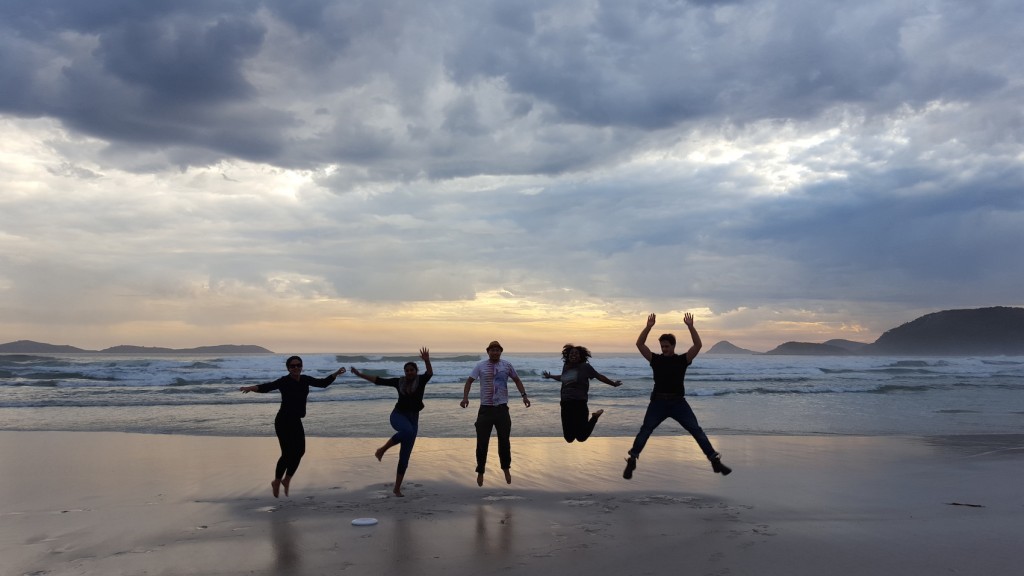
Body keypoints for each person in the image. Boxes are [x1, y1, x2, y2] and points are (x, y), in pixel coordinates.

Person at [623, 313, 731, 479]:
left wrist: (690, 326)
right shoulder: (655, 359)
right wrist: (649, 326)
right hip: (658, 402)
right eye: (662, 346)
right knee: (645, 430)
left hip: (678, 403)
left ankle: (714, 461)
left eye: (666, 346)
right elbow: (639, 344)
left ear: (673, 346)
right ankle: (632, 460)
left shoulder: (683, 360)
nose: (664, 349)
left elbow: (698, 345)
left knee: (696, 430)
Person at [239, 357, 346, 497]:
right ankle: (277, 481)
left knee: (300, 451)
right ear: (288, 368)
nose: (295, 368)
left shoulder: (305, 379)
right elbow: (267, 387)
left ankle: (286, 479)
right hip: (283, 421)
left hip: (295, 420)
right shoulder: (284, 381)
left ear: (301, 366)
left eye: (298, 365)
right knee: (287, 453)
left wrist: (335, 374)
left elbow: (323, 384)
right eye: (292, 366)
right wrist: (252, 388)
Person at [350, 348, 433, 497]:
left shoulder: (421, 381)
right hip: (398, 416)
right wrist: (359, 374)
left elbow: (429, 373)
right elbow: (378, 380)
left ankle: (397, 488)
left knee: (405, 457)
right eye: (407, 370)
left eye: (412, 370)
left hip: (413, 419)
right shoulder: (398, 382)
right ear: (404, 372)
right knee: (407, 432)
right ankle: (381, 450)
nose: (409, 372)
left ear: (415, 370)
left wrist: (426, 360)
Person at [460, 341, 531, 486]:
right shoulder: (480, 366)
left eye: (497, 350)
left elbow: (517, 379)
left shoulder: (507, 365)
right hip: (485, 410)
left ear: (501, 352)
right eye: (492, 350)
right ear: (488, 351)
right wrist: (465, 397)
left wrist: (524, 395)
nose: (495, 352)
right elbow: (469, 381)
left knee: (504, 441)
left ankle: (506, 468)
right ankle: (481, 471)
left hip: (502, 410)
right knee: (482, 442)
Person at [542, 344, 622, 443]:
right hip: (565, 403)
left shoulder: (585, 367)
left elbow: (599, 376)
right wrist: (551, 376)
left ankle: (595, 417)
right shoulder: (566, 366)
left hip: (580, 403)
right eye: (571, 353)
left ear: (580, 356)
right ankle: (594, 417)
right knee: (569, 438)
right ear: (568, 355)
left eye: (576, 353)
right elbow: (563, 378)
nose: (573, 355)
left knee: (581, 437)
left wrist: (613, 384)